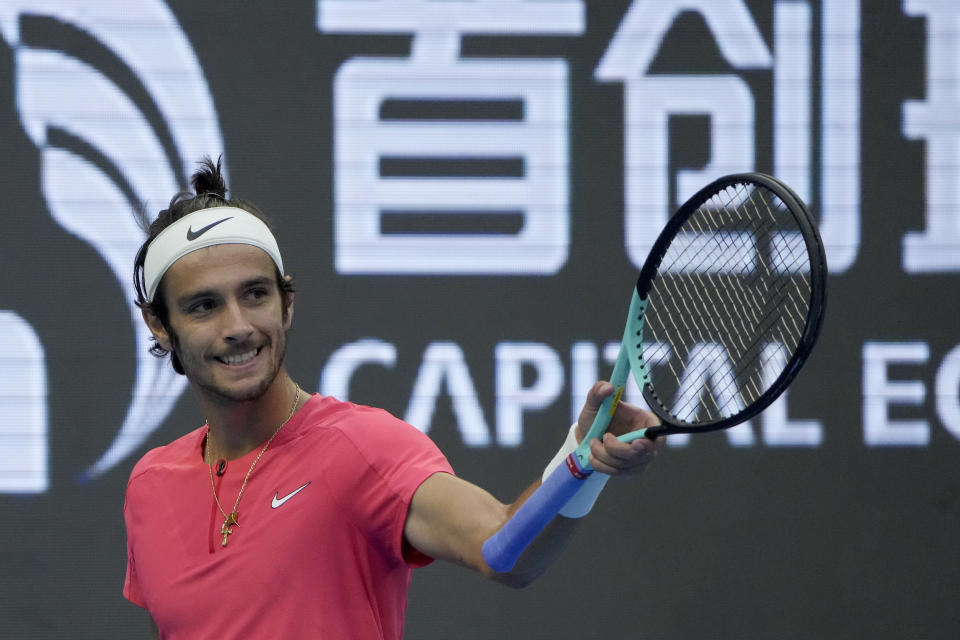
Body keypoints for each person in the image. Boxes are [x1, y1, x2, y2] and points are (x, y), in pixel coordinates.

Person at [123, 158, 661, 639]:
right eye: (203, 307)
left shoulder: (361, 448)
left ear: (287, 302)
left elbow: (505, 552)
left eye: (255, 294)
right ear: (160, 325)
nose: (238, 326)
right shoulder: (151, 486)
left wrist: (581, 463)